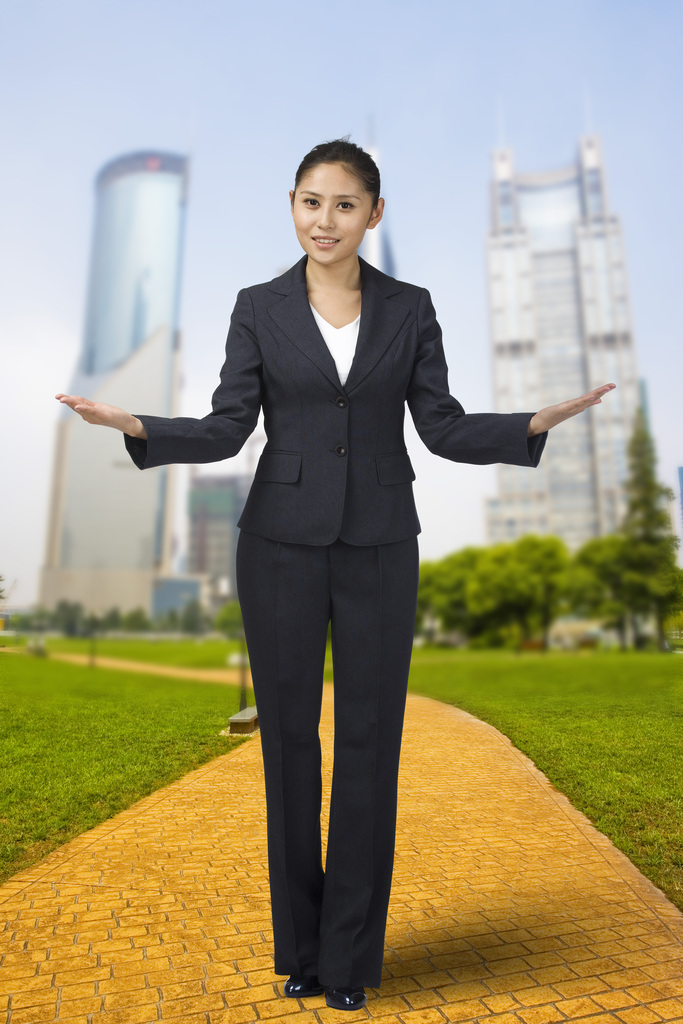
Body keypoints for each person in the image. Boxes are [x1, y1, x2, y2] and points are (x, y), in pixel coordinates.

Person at [57, 138, 615, 1010]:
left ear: (374, 214)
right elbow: (225, 426)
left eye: (345, 205)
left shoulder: (411, 307)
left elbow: (439, 424)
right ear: (292, 206)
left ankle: (349, 961)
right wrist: (132, 424)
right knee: (289, 748)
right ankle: (301, 952)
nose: (327, 220)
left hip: (382, 541)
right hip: (277, 543)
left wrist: (530, 423)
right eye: (311, 202)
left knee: (368, 748)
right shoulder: (258, 307)